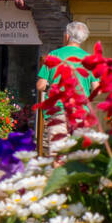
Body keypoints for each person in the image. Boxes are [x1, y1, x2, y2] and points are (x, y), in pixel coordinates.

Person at [37, 22, 95, 151]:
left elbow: (40, 86)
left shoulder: (53, 55)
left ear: (67, 36)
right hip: (80, 111)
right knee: (79, 155)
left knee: (58, 154)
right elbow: (97, 88)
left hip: (58, 111)